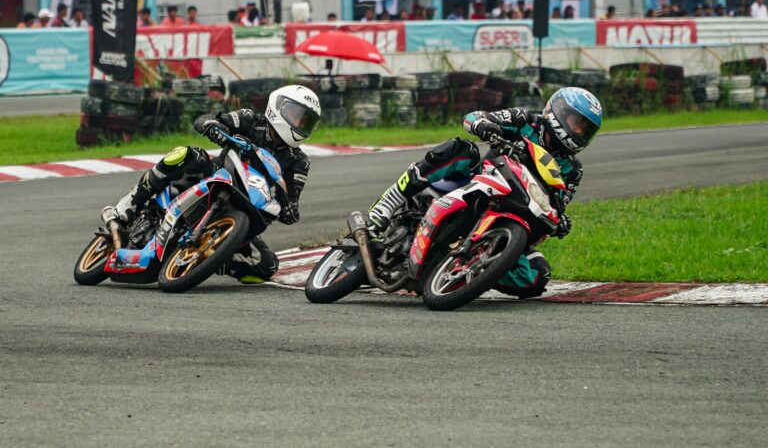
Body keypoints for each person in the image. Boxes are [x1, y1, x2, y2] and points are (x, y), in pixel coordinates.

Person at [367, 87, 602, 299]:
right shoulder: (524, 121)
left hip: (517, 211)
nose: (578, 131)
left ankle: (472, 272)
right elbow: (474, 117)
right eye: (575, 122)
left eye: (585, 129)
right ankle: (390, 201)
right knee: (462, 150)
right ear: (557, 110)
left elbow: (559, 204)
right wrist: (483, 125)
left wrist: (561, 221)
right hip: (479, 181)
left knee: (537, 274)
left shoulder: (573, 170)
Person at [102, 85, 322, 283]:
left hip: (247, 205)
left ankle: (212, 256)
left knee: (267, 265)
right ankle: (130, 204)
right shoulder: (250, 119)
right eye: (296, 116)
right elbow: (206, 119)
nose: (299, 124)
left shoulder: (299, 161)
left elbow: (292, 199)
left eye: (306, 121)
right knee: (188, 154)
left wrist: (290, 210)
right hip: (215, 174)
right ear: (278, 107)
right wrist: (214, 127)